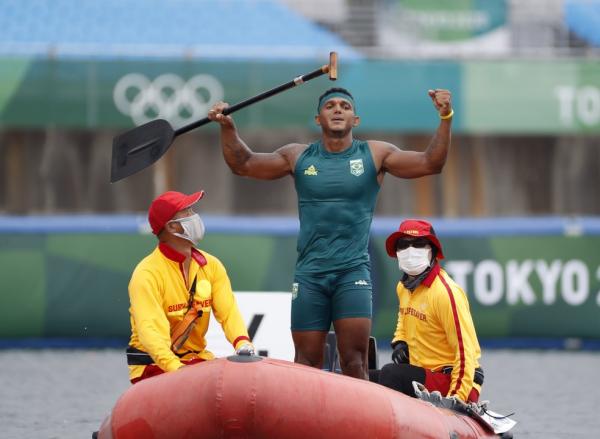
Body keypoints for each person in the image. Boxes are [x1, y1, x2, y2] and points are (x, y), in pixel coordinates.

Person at [207, 87, 453, 380]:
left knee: (354, 361)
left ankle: (360, 423)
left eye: (345, 106)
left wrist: (445, 116)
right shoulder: (297, 156)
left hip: (352, 273)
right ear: (318, 118)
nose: (338, 109)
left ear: (355, 120)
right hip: (310, 275)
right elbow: (244, 164)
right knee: (306, 361)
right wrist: (228, 127)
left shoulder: (375, 154)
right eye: (330, 106)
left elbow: (431, 163)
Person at [125, 190, 255, 384]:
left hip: (196, 360)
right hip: (153, 367)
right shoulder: (146, 274)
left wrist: (243, 343)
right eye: (187, 212)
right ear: (173, 227)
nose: (195, 216)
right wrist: (177, 370)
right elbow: (151, 332)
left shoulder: (212, 265)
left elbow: (228, 313)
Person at [375, 219, 483, 403]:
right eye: (403, 244)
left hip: (454, 381)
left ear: (432, 250)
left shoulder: (445, 293)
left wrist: (455, 398)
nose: (410, 250)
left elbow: (466, 353)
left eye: (418, 244)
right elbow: (403, 319)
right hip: (423, 375)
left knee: (390, 374)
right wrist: (400, 342)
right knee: (362, 376)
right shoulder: (403, 287)